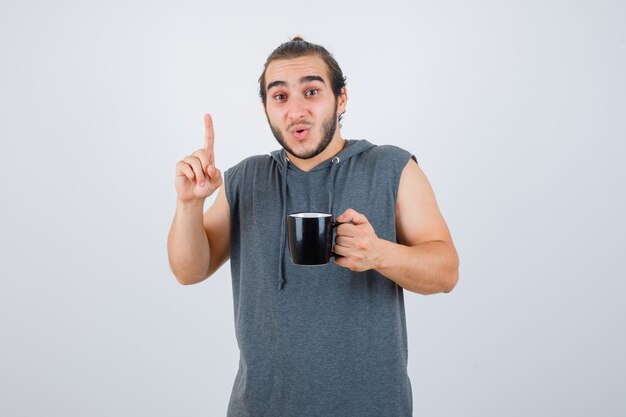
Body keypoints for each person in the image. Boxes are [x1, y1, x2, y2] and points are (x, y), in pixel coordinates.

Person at [167, 37, 459, 417]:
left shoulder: (392, 168)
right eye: (280, 96)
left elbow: (446, 272)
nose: (296, 111)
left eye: (311, 91)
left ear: (342, 99)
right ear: (266, 108)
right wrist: (190, 204)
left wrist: (381, 253)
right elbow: (189, 271)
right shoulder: (246, 178)